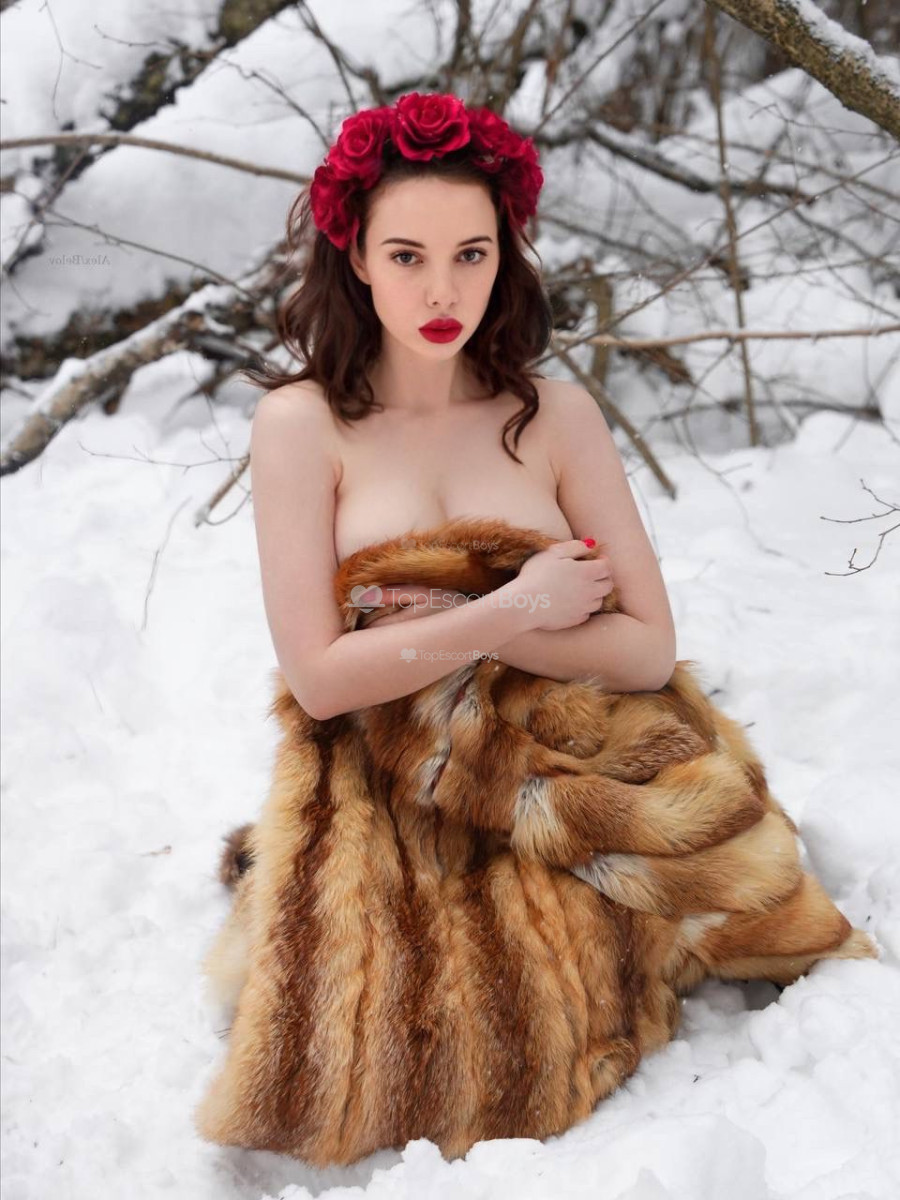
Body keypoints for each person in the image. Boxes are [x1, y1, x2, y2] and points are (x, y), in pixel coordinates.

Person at [244, 92, 676, 721]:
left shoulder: (559, 417)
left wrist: (464, 619)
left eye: (471, 254)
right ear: (359, 257)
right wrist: (517, 606)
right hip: (388, 778)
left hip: (579, 763)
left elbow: (651, 653)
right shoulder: (300, 425)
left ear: (501, 256)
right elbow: (320, 682)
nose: (442, 293)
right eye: (407, 257)